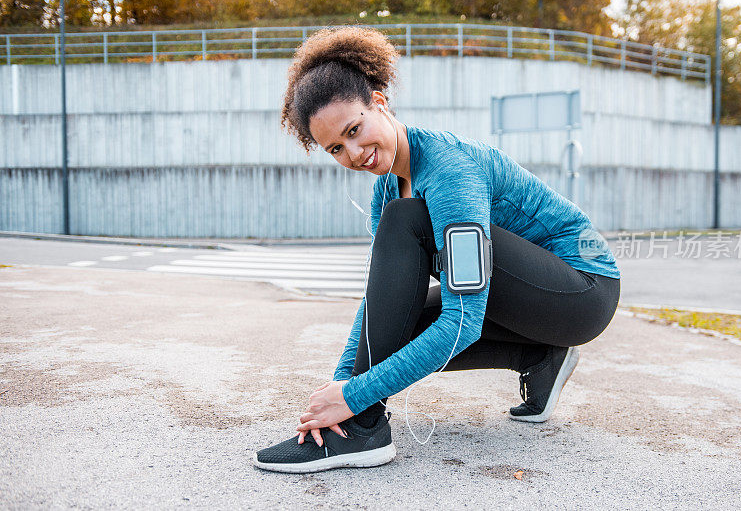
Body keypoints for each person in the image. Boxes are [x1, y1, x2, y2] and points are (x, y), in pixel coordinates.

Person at [252, 26, 620, 474]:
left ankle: (362, 429)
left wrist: (352, 398)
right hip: (536, 306)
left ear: (380, 104)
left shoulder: (449, 172)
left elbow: (463, 320)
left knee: (409, 221)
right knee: (395, 315)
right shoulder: (387, 189)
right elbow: (379, 305)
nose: (354, 153)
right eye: (336, 148)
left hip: (583, 291)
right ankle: (539, 357)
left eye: (355, 129)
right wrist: (341, 384)